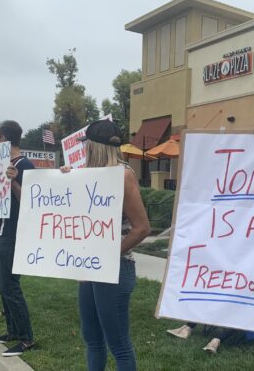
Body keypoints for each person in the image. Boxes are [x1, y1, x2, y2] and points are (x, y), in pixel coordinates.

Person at [60, 119, 151, 371]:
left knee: (118, 344)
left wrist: (109, 253)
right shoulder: (86, 174)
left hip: (116, 268)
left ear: (94, 146)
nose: (84, 148)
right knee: (92, 338)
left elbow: (142, 228)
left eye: (86, 144)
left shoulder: (123, 176)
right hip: (90, 267)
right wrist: (63, 178)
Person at [0, 120, 36, 357]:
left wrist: (14, 180)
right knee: (3, 285)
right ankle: (12, 331)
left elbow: (31, 200)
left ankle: (26, 337)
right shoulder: (1, 164)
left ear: (4, 139)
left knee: (10, 285)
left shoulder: (25, 165)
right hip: (1, 230)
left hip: (14, 233)